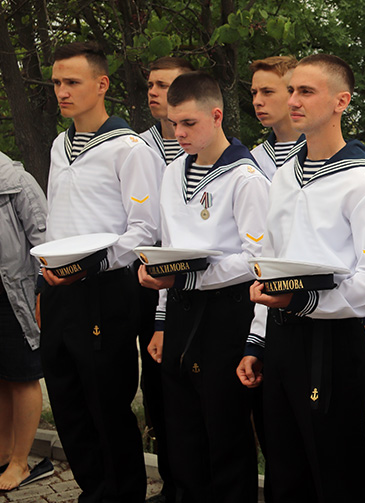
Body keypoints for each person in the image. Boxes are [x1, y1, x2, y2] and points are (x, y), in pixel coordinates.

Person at [237, 54, 365, 501]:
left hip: (332, 342)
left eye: (306, 91)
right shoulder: (283, 175)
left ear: (341, 102)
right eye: (291, 90)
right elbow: (270, 263)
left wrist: (306, 302)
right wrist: (257, 341)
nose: (293, 100)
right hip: (282, 336)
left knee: (334, 472)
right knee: (285, 471)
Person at [39, 41, 162, 502]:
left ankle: (123, 495)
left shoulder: (129, 148)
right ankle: (93, 492)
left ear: (101, 84)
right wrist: (44, 281)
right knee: (68, 403)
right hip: (59, 289)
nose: (62, 91)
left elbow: (144, 229)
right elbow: (56, 220)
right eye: (57, 82)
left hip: (105, 287)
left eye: (72, 82)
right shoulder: (59, 145)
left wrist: (94, 263)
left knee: (106, 404)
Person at [139, 71, 267, 503]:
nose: (178, 133)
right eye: (173, 123)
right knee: (183, 432)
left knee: (225, 433)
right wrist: (161, 318)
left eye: (189, 123)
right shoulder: (173, 171)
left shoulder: (246, 178)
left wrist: (190, 276)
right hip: (180, 309)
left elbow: (256, 260)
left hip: (225, 313)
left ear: (216, 116)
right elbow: (168, 248)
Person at [141, 55, 193, 503]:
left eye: (167, 85)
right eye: (152, 85)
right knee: (157, 386)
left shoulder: (203, 146)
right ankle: (171, 480)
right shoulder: (138, 145)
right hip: (150, 278)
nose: (156, 93)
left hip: (191, 277)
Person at [0, 145, 51, 492]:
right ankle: (4, 454)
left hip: (15, 298)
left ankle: (21, 463)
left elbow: (45, 243)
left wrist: (42, 293)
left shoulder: (16, 182)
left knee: (22, 377)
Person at [249, 56, 304, 177]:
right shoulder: (252, 160)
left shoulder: (325, 155)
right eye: (254, 93)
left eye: (267, 92)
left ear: (293, 93)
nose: (256, 101)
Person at [143, 56, 194, 164]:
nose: (152, 92)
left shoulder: (207, 148)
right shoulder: (139, 145)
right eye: (150, 86)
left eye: (162, 85)